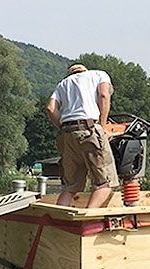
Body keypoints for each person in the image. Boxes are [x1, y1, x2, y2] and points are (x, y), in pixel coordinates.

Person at [46, 63, 119, 208]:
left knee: (70, 187)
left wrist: (63, 126)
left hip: (67, 134)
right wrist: (102, 128)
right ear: (85, 69)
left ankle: (61, 223)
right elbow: (104, 95)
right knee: (105, 183)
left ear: (69, 73)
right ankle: (86, 220)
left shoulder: (63, 84)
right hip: (89, 130)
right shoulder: (98, 74)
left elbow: (50, 108)